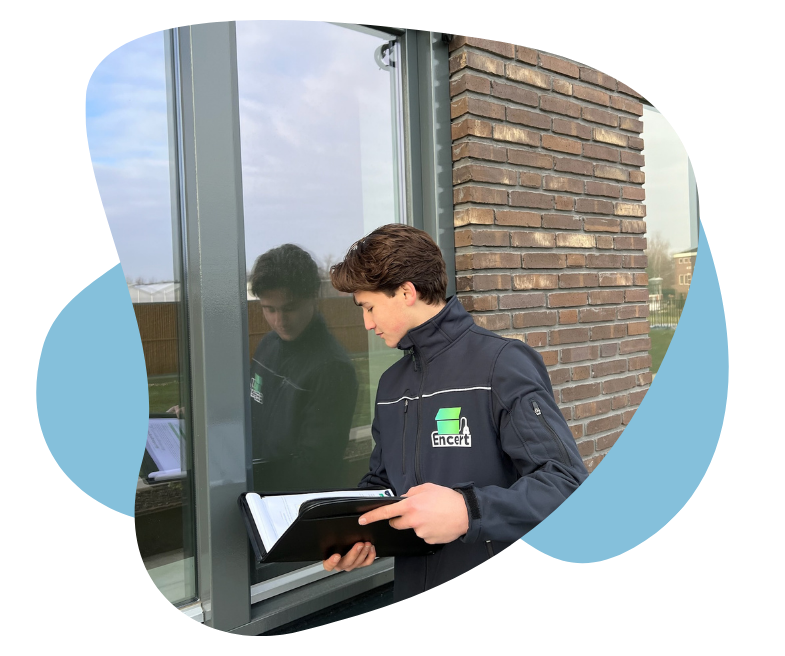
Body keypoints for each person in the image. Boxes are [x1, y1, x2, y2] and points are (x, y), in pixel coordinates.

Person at [322, 224, 588, 602]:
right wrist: (356, 531)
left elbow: (566, 484)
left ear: (406, 292)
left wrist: (468, 511)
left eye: (369, 307)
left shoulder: (500, 365)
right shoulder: (391, 385)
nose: (367, 323)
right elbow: (382, 483)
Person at [248, 244, 359, 491]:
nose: (279, 321)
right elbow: (251, 412)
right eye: (269, 309)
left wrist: (253, 489)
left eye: (289, 308)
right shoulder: (267, 346)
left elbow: (315, 467)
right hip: (256, 491)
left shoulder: (332, 368)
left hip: (292, 503)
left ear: (313, 297)